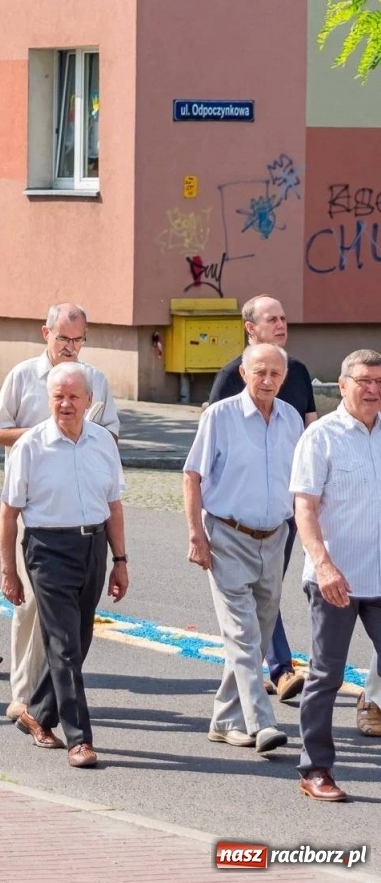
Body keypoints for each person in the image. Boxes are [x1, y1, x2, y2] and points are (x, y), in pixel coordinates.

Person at [0, 302, 122, 719]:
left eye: (78, 340)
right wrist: (46, 434)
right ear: (46, 334)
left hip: (79, 507)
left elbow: (110, 435)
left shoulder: (94, 379)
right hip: (33, 503)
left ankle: (50, 702)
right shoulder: (24, 375)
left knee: (71, 621)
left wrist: (80, 431)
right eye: (63, 338)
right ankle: (24, 694)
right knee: (31, 608)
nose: (70, 347)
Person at [0, 362, 129, 770]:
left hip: (93, 547)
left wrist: (120, 560)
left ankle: (36, 712)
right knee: (64, 646)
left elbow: (113, 505)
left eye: (74, 396)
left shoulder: (103, 442)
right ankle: (79, 739)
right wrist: (9, 570)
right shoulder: (31, 446)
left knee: (79, 641)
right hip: (47, 548)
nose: (66, 404)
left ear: (90, 401)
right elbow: (7, 514)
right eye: (58, 396)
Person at [182, 342, 299, 755]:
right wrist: (196, 533)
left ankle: (224, 719)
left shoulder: (291, 419)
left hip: (274, 537)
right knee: (243, 633)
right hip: (228, 535)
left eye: (275, 374)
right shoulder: (221, 415)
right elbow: (192, 475)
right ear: (244, 373)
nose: (267, 381)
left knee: (258, 635)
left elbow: (302, 483)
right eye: (259, 372)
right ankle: (261, 721)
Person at [206, 295, 320, 707]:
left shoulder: (299, 372)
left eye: (284, 317)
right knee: (253, 595)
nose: (281, 323)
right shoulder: (229, 377)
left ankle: (246, 686)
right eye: (272, 318)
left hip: (285, 509)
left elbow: (311, 437)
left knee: (267, 594)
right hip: (236, 517)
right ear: (250, 328)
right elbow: (208, 448)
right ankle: (279, 669)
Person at [288, 349, 381, 802]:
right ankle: (316, 769)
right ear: (341, 385)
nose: (373, 389)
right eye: (364, 380)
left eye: (379, 381)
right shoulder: (320, 437)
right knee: (326, 675)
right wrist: (323, 564)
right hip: (335, 581)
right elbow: (304, 508)